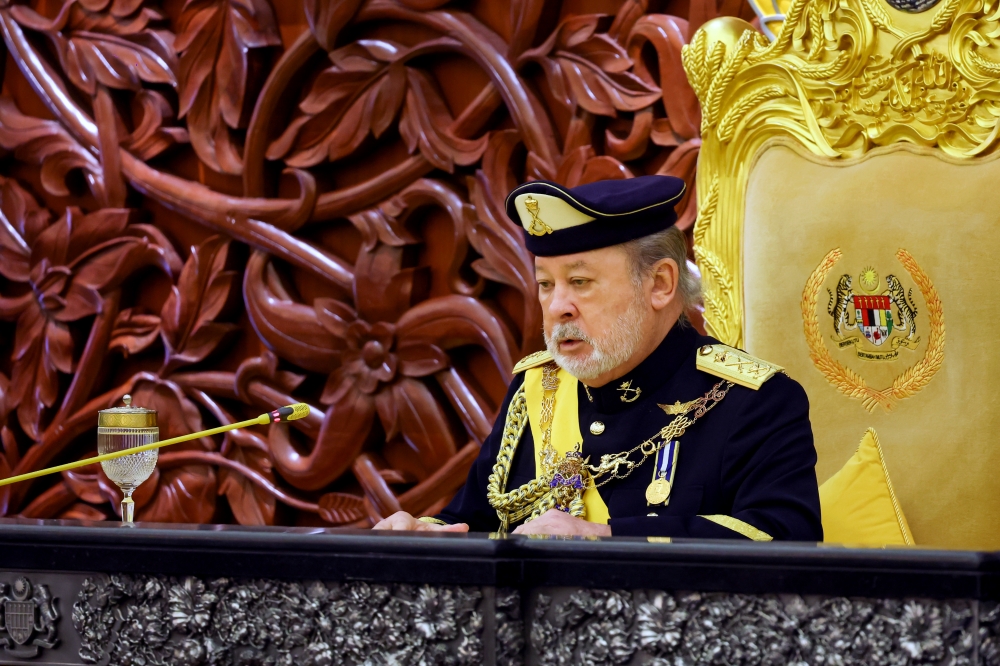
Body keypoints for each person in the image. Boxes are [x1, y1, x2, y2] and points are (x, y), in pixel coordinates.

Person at [373, 175, 822, 540]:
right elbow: (476, 520)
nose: (557, 306)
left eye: (581, 282)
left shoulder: (752, 400)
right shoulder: (537, 389)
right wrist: (425, 531)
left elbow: (785, 538)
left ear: (661, 284)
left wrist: (605, 536)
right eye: (546, 284)